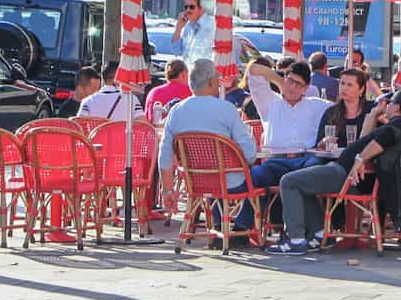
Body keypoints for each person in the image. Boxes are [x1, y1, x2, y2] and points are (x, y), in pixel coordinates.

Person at [267, 88, 401, 254]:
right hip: (345, 173)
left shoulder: (398, 126)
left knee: (289, 181)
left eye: (390, 102)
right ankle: (320, 234)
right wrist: (373, 115)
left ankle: (296, 240)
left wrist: (360, 159)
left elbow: (382, 141)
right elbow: (365, 139)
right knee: (304, 183)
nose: (386, 104)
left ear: (397, 107)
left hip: (345, 175)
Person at [236, 59, 332, 229]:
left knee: (312, 170)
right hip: (276, 160)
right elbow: (253, 69)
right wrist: (280, 81)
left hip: (305, 158)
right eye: (290, 81)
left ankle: (310, 229)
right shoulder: (269, 102)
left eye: (298, 84)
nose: (292, 87)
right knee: (256, 176)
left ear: (305, 88)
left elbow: (343, 109)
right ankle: (242, 228)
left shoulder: (317, 105)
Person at [157, 59, 257, 221]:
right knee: (262, 177)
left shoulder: (176, 111)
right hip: (229, 182)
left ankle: (218, 226)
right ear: (211, 82)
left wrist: (167, 190)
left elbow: (165, 154)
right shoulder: (227, 109)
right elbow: (250, 155)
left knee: (217, 176)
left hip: (194, 182)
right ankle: (242, 227)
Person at [317, 68, 371, 150]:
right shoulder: (331, 112)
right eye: (342, 83)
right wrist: (324, 142)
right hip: (334, 159)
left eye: (349, 85)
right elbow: (318, 146)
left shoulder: (371, 109)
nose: (344, 88)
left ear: (361, 89)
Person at [76, 60, 146, 121]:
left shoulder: (87, 102)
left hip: (98, 136)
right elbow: (143, 125)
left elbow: (80, 126)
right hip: (124, 136)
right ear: (118, 77)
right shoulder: (132, 100)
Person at [171, 0, 214, 67]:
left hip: (206, 74)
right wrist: (178, 28)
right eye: (186, 7)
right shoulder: (188, 27)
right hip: (189, 73)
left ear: (202, 9)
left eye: (191, 7)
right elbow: (175, 51)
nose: (188, 10)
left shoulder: (212, 25)